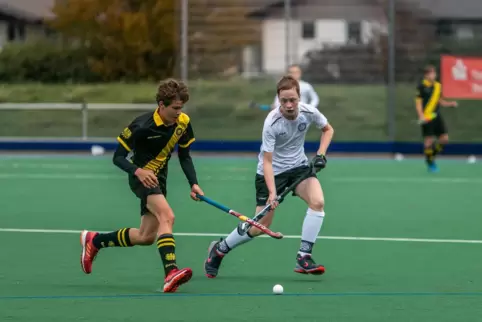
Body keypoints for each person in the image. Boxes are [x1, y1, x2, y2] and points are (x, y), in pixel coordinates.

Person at [80, 79, 204, 293]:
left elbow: (184, 156)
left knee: (146, 236)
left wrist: (193, 183)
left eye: (181, 107)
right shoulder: (141, 125)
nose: (178, 112)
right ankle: (170, 273)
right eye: (174, 108)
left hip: (159, 179)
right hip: (141, 177)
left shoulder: (183, 122)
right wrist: (138, 171)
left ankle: (95, 240)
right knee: (168, 216)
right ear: (161, 105)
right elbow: (118, 158)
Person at [204, 75, 334, 278]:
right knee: (260, 227)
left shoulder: (309, 112)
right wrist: (273, 193)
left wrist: (321, 154)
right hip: (272, 172)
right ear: (278, 99)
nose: (289, 105)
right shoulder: (272, 123)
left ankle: (304, 256)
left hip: (299, 167)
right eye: (284, 101)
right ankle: (220, 249)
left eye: (293, 100)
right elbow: (267, 161)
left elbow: (328, 129)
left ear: (299, 97)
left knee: (317, 202)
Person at [415, 65, 458, 172]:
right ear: (426, 75)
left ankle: (431, 156)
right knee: (429, 141)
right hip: (427, 117)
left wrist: (450, 104)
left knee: (444, 139)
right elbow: (418, 103)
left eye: (434, 73)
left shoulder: (438, 86)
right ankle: (430, 163)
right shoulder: (421, 86)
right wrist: (421, 115)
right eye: (431, 73)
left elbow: (439, 100)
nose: (433, 75)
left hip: (437, 116)